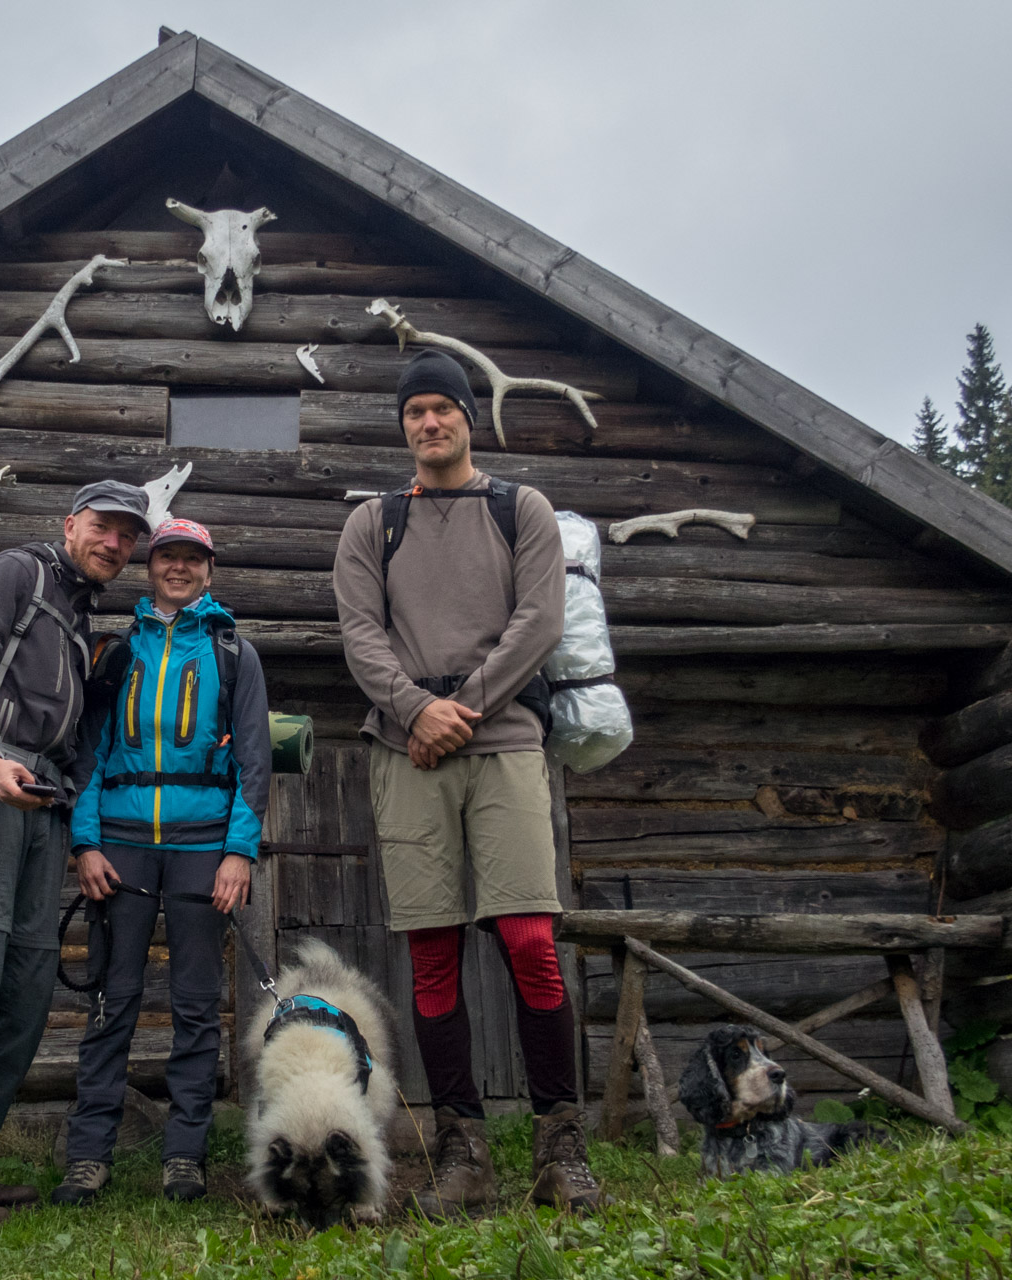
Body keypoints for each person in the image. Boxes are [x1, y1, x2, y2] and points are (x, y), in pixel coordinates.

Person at [331, 349, 604, 1215]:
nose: (429, 424)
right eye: (414, 413)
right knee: (434, 949)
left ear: (468, 418)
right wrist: (416, 711)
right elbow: (360, 634)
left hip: (506, 740)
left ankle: (561, 1149)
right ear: (403, 425)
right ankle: (463, 1157)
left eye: (443, 409)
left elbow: (540, 619)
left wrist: (464, 710)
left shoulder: (520, 508)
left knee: (528, 936)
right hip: (406, 748)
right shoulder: (373, 522)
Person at [0, 479, 152, 1232]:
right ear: (71, 524)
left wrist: (73, 811)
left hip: (44, 798)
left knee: (26, 986)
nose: (114, 543)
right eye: (103, 527)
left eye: (127, 537)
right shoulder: (16, 571)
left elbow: (70, 730)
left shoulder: (78, 614)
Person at [52, 517, 271, 1207]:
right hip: (118, 846)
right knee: (111, 1005)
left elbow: (254, 765)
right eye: (166, 557)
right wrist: (84, 843)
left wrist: (239, 853)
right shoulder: (114, 652)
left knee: (197, 1008)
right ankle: (88, 1158)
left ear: (209, 569)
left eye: (191, 558)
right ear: (150, 567)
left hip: (204, 848)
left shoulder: (235, 652)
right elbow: (86, 754)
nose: (178, 568)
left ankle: (186, 1156)